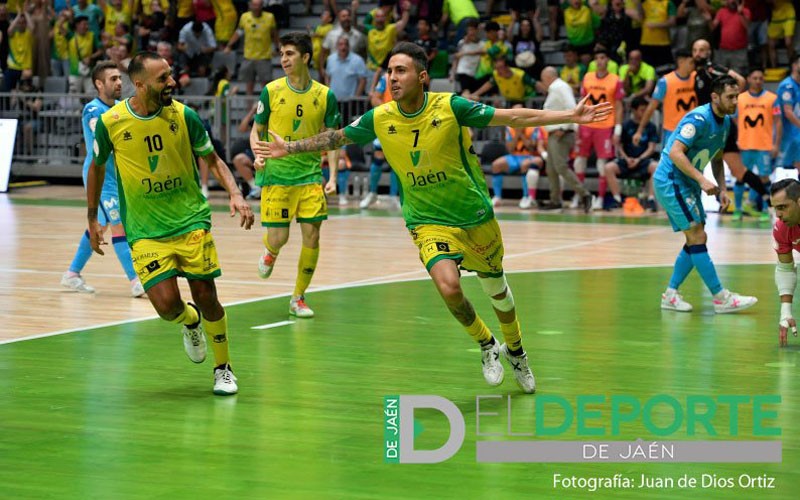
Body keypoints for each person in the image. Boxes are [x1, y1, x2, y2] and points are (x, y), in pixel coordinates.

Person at [254, 42, 612, 393]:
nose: (391, 79)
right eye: (389, 72)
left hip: (473, 216)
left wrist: (569, 116)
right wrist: (291, 147)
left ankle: (516, 351)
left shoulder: (451, 107)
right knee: (449, 286)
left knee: (498, 293)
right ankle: (486, 344)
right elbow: (337, 137)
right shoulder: (380, 118)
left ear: (422, 77)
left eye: (400, 71)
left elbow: (513, 116)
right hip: (427, 221)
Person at [87, 51, 255, 395]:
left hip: (190, 219)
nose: (172, 82)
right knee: (166, 307)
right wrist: (92, 217)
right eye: (162, 78)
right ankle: (189, 322)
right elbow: (97, 166)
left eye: (170, 75)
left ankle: (223, 367)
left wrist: (236, 194)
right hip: (146, 230)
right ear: (140, 84)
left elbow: (213, 158)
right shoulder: (112, 122)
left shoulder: (185, 115)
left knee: (206, 296)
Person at [249, 32, 341, 319]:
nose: (284, 59)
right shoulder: (271, 90)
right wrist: (258, 155)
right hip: (277, 177)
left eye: (289, 53)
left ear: (305, 57)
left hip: (310, 176)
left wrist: (333, 176)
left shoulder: (325, 95)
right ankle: (270, 251)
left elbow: (333, 139)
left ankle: (298, 297)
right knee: (279, 237)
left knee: (312, 237)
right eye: (281, 54)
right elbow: (257, 131)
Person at [653, 75, 757, 314]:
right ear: (714, 97)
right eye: (730, 97)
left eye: (737, 97)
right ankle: (720, 297)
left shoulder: (726, 122)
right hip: (671, 179)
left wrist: (721, 188)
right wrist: (701, 179)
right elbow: (676, 153)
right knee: (697, 235)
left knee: (697, 237)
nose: (735, 102)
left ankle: (670, 294)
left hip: (687, 182)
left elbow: (718, 157)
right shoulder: (698, 118)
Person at [62, 61, 145, 298]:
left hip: (116, 178)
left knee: (100, 227)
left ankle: (72, 274)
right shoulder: (93, 110)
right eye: (113, 79)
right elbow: (110, 138)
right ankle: (136, 281)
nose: (119, 83)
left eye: (120, 78)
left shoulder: (120, 106)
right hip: (100, 179)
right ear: (99, 84)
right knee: (119, 228)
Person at [732, 68, 781, 221]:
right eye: (755, 78)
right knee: (740, 178)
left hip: (764, 146)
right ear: (748, 79)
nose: (758, 81)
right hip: (744, 145)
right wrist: (737, 138)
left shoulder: (772, 98)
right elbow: (734, 120)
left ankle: (766, 209)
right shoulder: (740, 98)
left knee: (764, 178)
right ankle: (738, 210)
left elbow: (778, 123)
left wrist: (776, 144)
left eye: (761, 78)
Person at [770, 178, 800, 346]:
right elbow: (785, 268)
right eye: (776, 208)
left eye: (783, 207)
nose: (778, 215)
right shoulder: (782, 229)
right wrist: (785, 312)